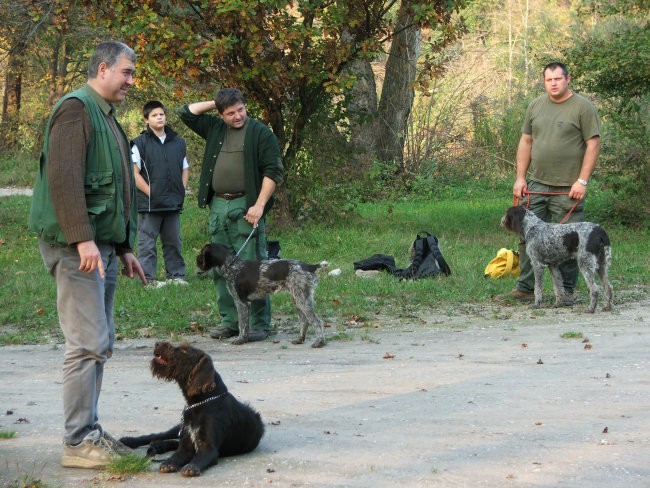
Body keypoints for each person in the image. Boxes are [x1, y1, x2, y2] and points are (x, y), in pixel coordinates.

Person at [28, 41, 146, 468]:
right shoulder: (75, 110)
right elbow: (63, 180)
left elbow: (116, 187)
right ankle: (76, 441)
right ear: (103, 69)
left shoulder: (107, 118)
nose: (132, 82)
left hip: (102, 249)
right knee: (86, 343)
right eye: (127, 73)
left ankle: (89, 432)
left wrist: (124, 247)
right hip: (76, 249)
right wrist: (81, 239)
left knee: (101, 343)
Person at [177, 88, 284, 342]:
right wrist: (216, 102)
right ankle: (230, 322)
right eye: (229, 113)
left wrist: (259, 205)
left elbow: (274, 171)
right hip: (218, 207)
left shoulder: (260, 132)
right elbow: (186, 113)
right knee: (220, 268)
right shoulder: (215, 128)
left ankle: (258, 324)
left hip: (246, 205)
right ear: (221, 114)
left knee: (252, 267)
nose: (237, 116)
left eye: (240, 110)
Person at [503, 61, 601, 303]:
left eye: (558, 79)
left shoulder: (583, 107)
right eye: (549, 80)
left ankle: (565, 292)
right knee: (527, 237)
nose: (554, 83)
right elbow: (526, 142)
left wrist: (582, 181)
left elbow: (593, 144)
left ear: (568, 79)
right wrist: (520, 178)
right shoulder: (536, 105)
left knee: (569, 242)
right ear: (544, 81)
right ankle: (526, 288)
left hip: (569, 188)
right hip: (536, 185)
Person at [131, 100, 189, 287]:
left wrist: (180, 190)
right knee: (147, 243)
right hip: (150, 204)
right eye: (155, 115)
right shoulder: (139, 143)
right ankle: (147, 279)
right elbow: (134, 174)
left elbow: (184, 168)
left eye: (162, 114)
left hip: (172, 202)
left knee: (174, 241)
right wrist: (152, 193)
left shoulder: (178, 142)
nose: (159, 118)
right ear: (147, 120)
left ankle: (176, 276)